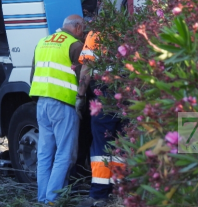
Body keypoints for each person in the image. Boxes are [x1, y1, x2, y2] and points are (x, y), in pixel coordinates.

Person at [29, 14, 90, 204]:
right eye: (83, 30)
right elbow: (84, 78)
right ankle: (53, 200)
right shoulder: (74, 45)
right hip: (63, 105)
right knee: (65, 153)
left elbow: (33, 74)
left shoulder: (43, 42)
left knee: (45, 153)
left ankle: (43, 198)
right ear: (78, 27)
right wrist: (81, 98)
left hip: (42, 103)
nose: (83, 35)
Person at [78, 31, 126, 207]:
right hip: (131, 92)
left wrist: (80, 96)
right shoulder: (138, 28)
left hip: (105, 92)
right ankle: (120, 193)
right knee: (124, 143)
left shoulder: (96, 34)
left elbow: (87, 67)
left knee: (101, 144)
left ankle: (99, 195)